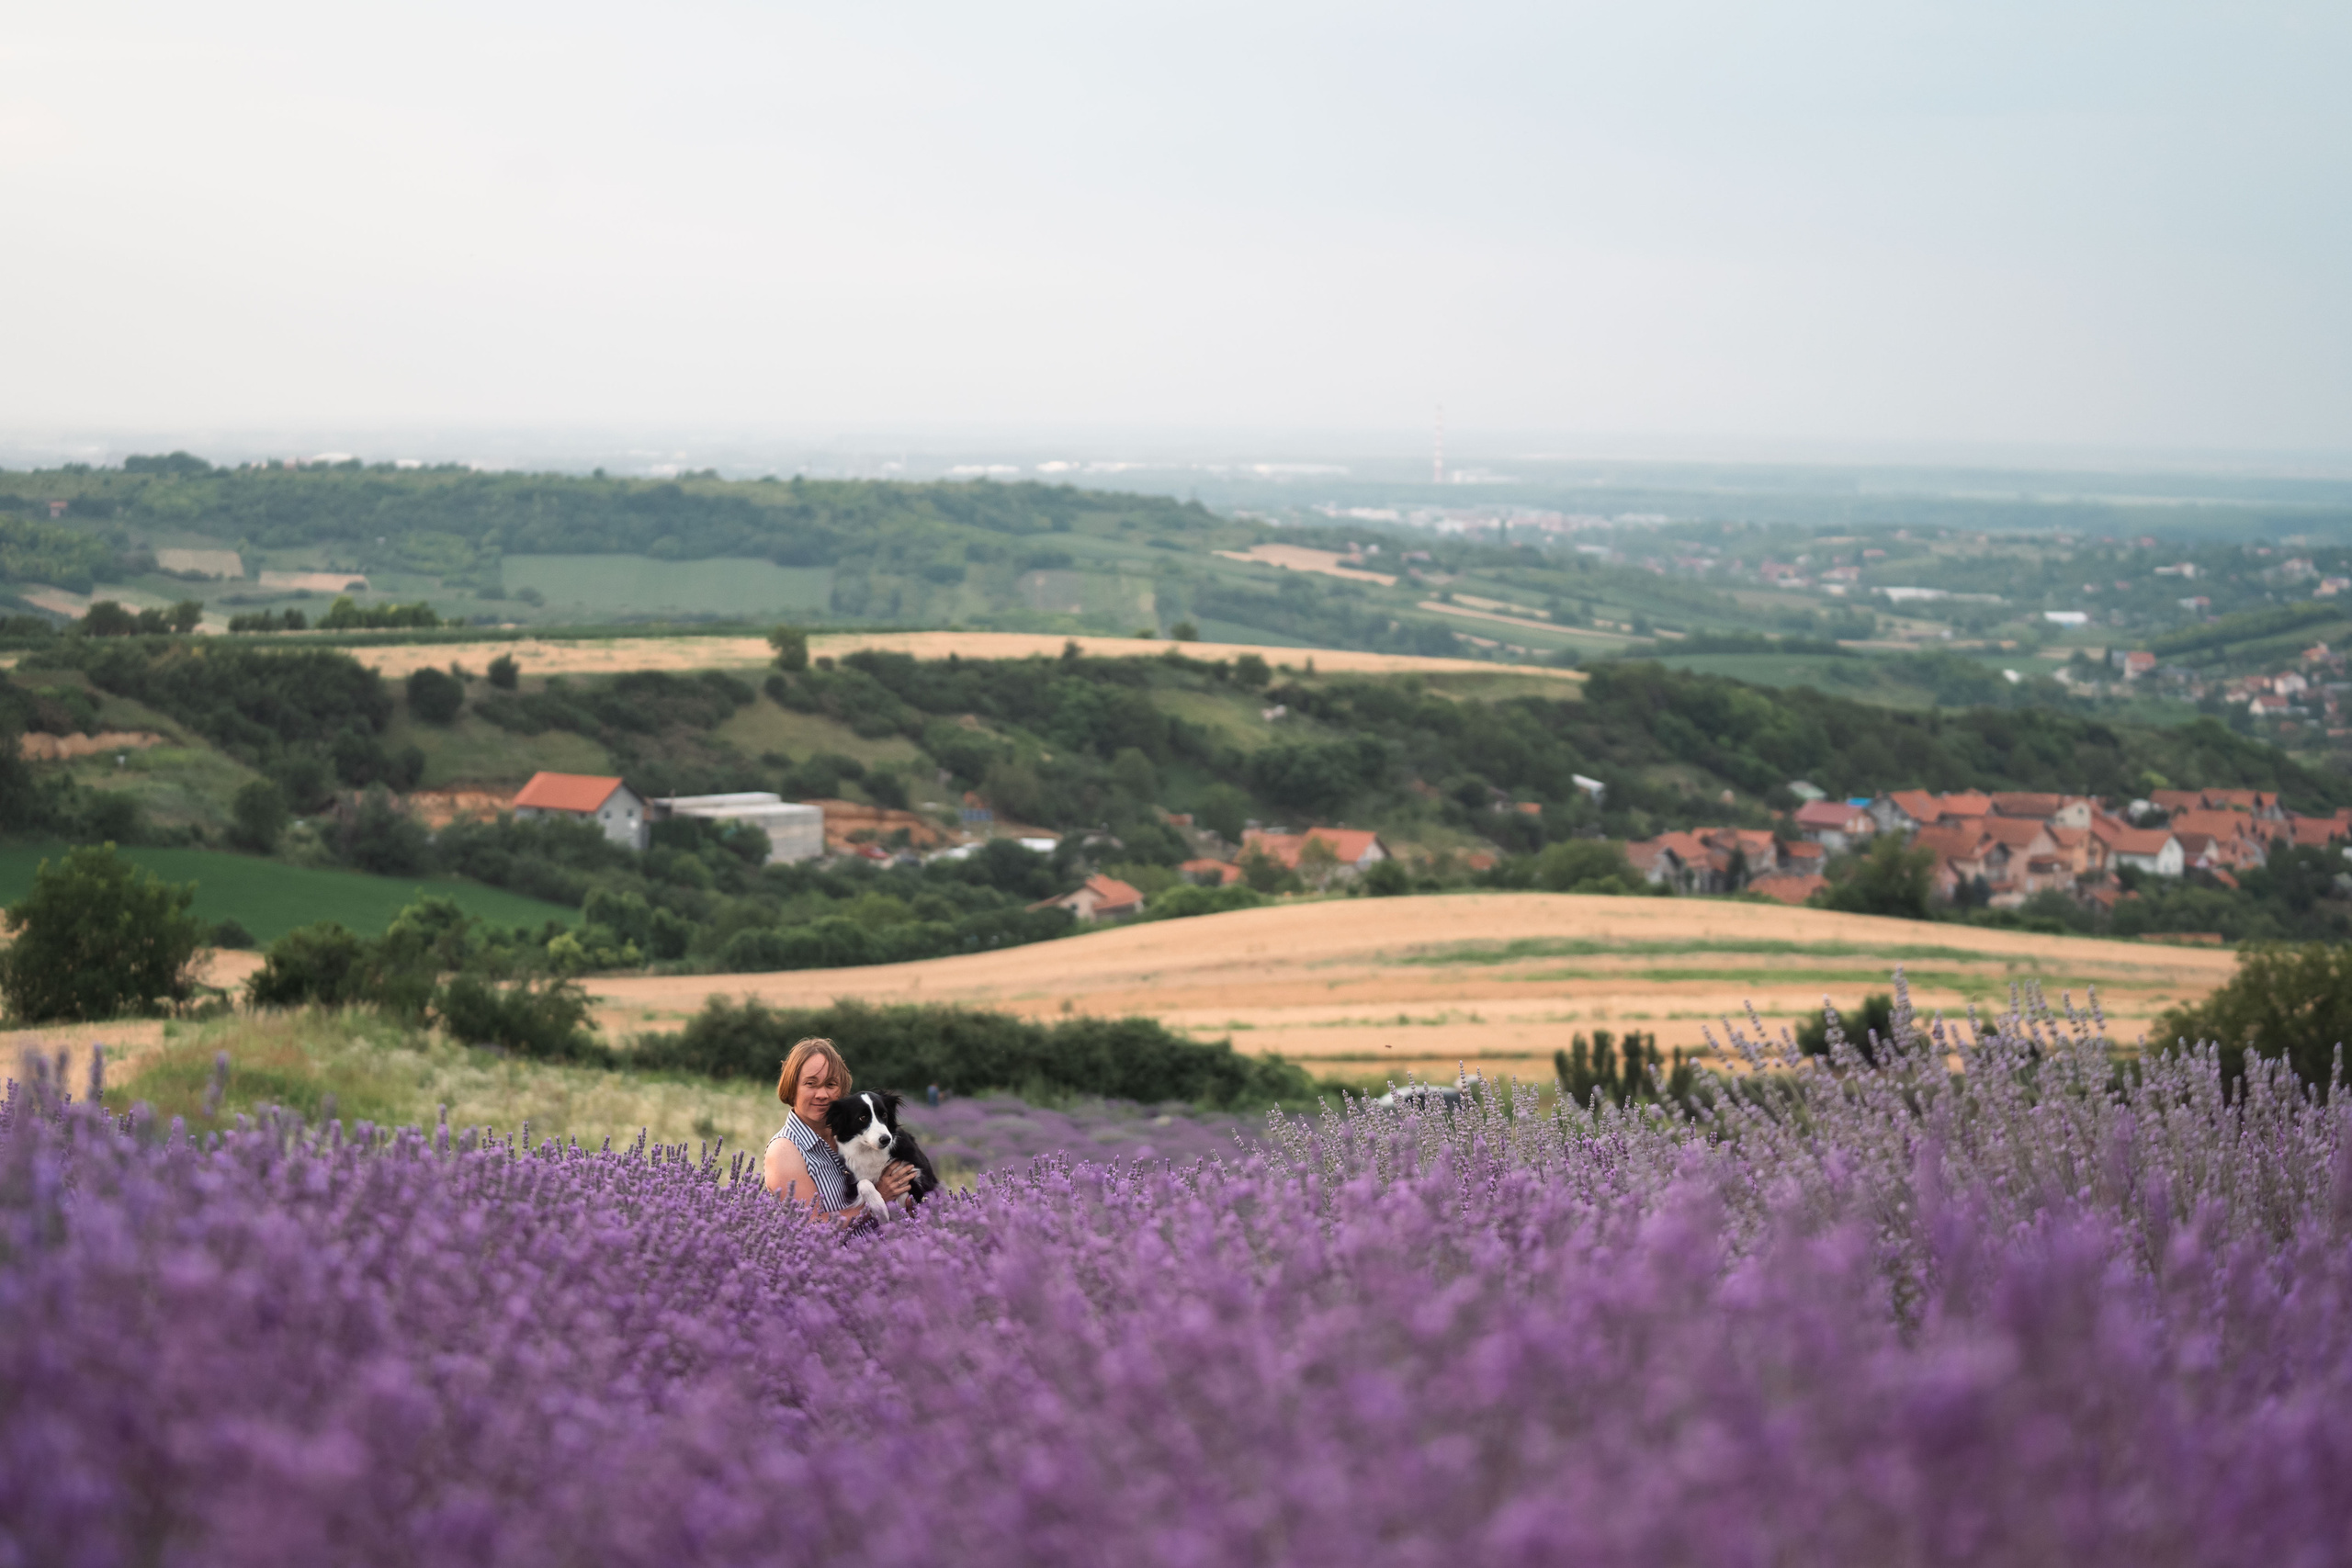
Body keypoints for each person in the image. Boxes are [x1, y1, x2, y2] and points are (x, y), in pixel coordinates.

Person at [763, 1035, 922, 1223]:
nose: (822, 1094)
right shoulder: (785, 1151)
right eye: (810, 1083)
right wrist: (876, 1199)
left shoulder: (855, 1136)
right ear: (792, 1088)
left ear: (842, 1089)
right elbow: (812, 1228)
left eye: (830, 1084)